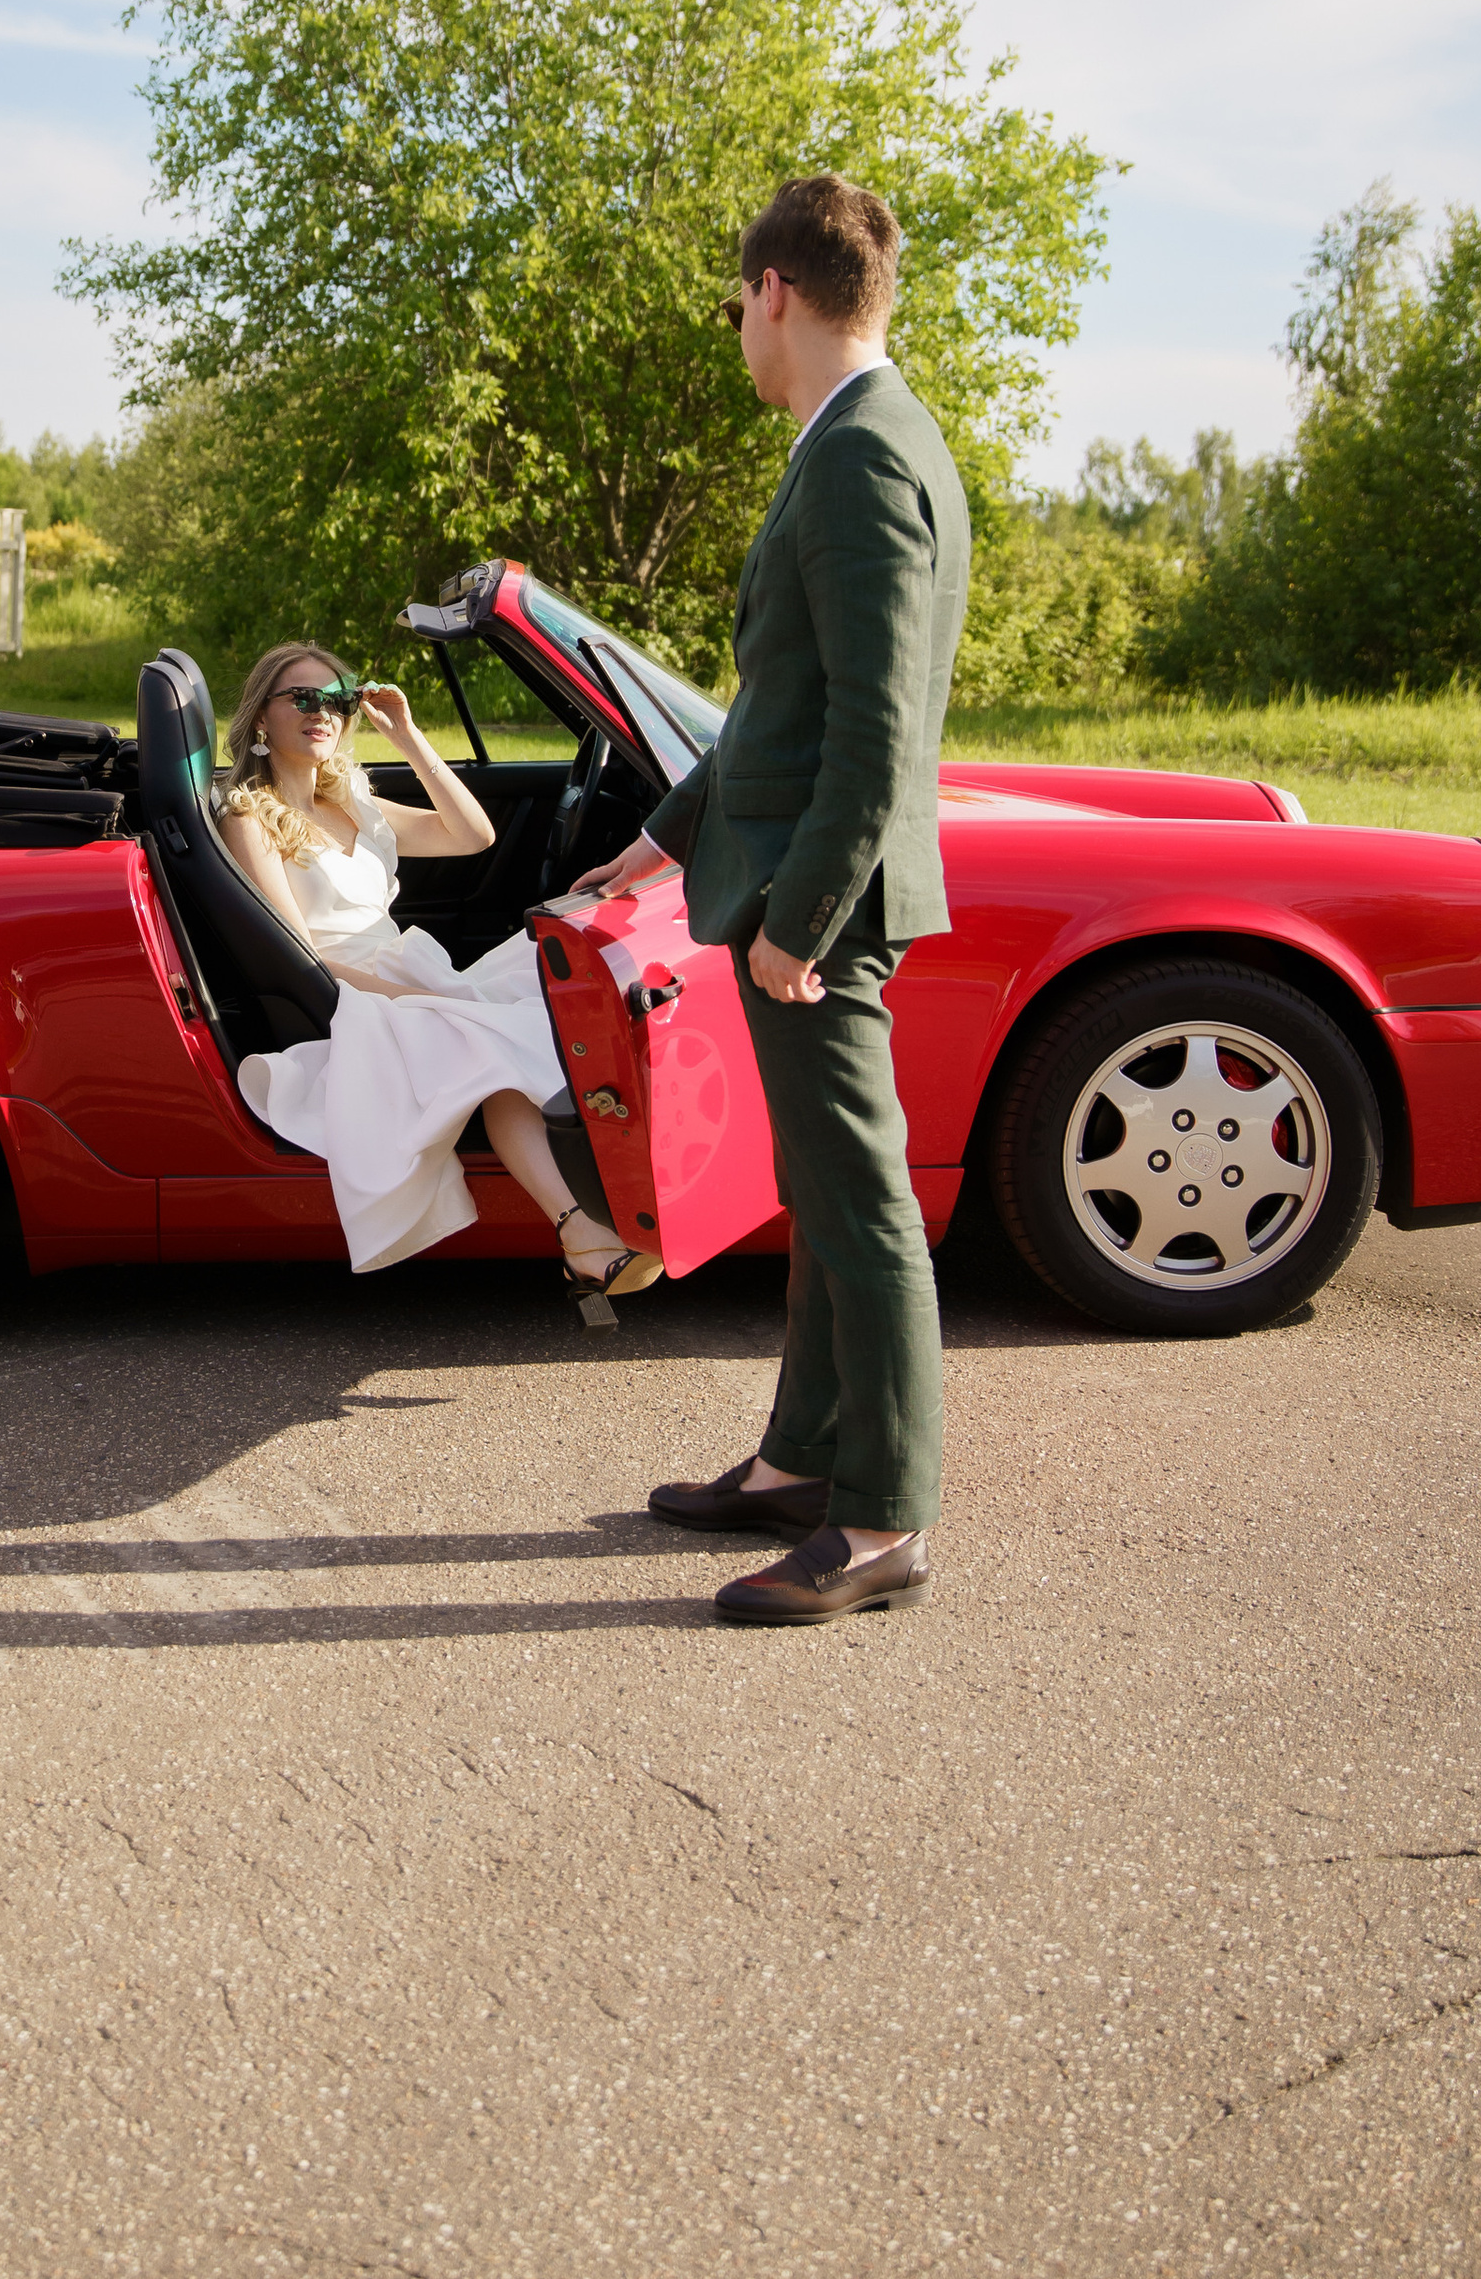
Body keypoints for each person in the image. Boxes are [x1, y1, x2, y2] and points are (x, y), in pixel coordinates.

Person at [574, 171, 970, 1624]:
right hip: (806, 884)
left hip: (826, 909)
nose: (740, 328)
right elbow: (779, 705)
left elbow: (876, 729)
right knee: (822, 1188)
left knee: (862, 1205)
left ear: (777, 294)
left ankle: (881, 1521)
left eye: (739, 303)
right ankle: (803, 1461)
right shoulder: (858, 437)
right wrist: (665, 838)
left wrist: (799, 921)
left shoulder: (861, 454)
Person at [218, 642, 659, 1299]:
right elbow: (300, 955)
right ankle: (582, 1230)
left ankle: (608, 1211)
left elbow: (472, 835)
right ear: (261, 716)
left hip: (408, 976)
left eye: (338, 700)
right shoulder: (249, 819)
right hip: (349, 1000)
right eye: (302, 698)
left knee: (556, 968)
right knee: (493, 1046)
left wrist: (408, 736)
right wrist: (415, 998)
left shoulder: (353, 800)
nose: (323, 712)